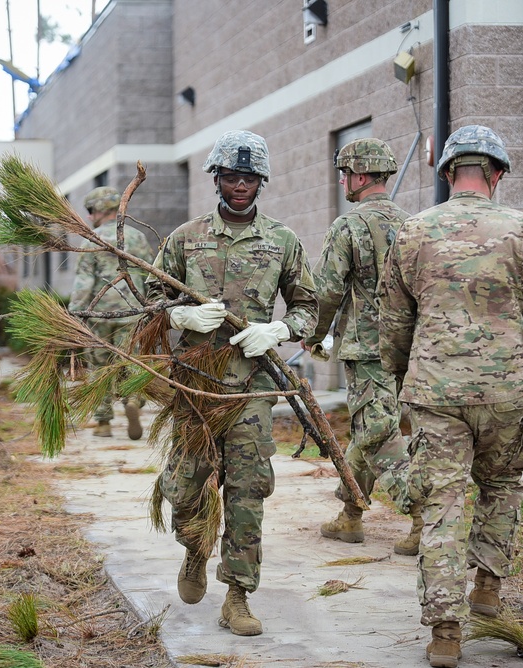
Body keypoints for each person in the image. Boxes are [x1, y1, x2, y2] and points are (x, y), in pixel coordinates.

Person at [379, 125, 523, 668]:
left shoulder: (413, 231)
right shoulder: (522, 231)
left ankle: (445, 630)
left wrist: (401, 381)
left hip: (435, 390)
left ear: (448, 172)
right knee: (502, 483)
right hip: (504, 389)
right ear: (499, 173)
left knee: (441, 504)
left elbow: (392, 321)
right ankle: (486, 584)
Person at [146, 130, 318, 636]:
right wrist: (181, 318)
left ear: (260, 182)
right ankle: (194, 548)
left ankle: (238, 595)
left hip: (250, 389)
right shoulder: (184, 238)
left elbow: (310, 308)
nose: (239, 185)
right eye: (230, 176)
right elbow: (151, 302)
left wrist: (281, 329)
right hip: (195, 385)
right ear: (216, 179)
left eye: (248, 177)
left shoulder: (281, 240)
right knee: (186, 487)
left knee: (248, 491)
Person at [302, 138, 421, 555]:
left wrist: (312, 335)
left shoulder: (347, 226)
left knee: (376, 432)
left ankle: (422, 514)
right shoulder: (414, 224)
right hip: (408, 347)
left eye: (345, 172)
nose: (341, 180)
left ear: (361, 175)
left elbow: (327, 291)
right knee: (369, 427)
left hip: (369, 349)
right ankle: (350, 514)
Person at [69, 186, 153, 439]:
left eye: (90, 211)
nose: (89, 217)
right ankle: (133, 400)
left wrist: (75, 313)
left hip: (99, 316)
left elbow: (83, 282)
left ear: (98, 210)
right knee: (133, 363)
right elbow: (150, 274)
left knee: (99, 369)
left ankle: (104, 423)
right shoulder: (137, 237)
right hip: (133, 313)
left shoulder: (91, 241)